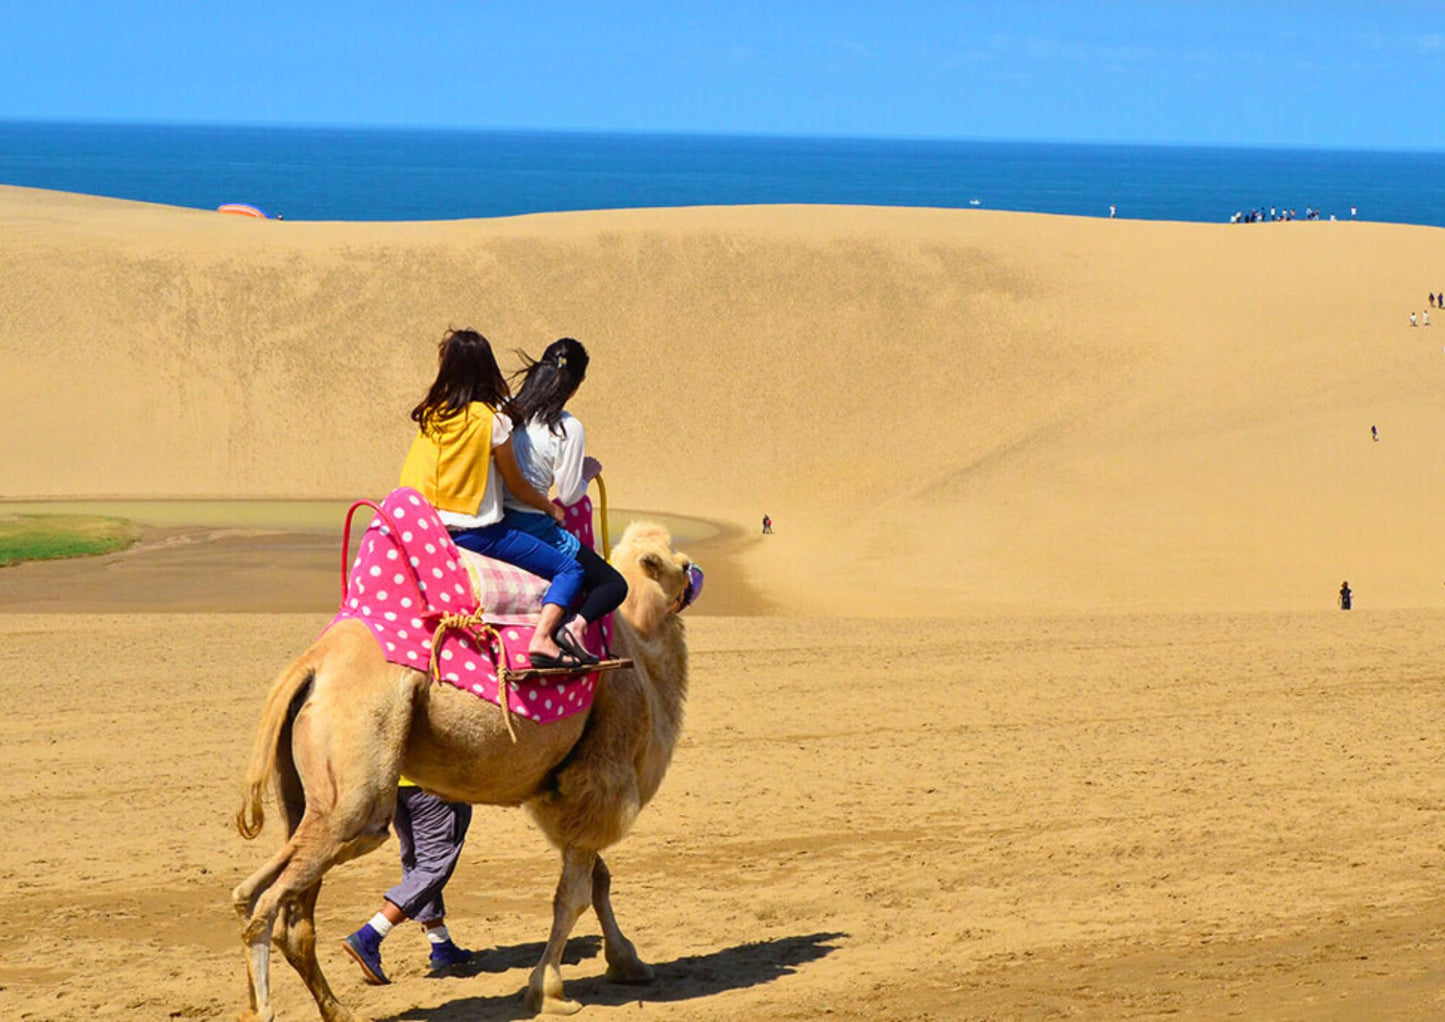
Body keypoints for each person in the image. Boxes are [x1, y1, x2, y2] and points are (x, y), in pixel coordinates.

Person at [399, 328, 591, 669]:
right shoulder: (494, 422)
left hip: (427, 528)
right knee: (570, 569)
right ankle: (543, 639)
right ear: (487, 368)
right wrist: (549, 507)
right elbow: (516, 486)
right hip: (476, 533)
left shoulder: (431, 413)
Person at [502, 337, 626, 661]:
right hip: (533, 524)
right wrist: (585, 473)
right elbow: (569, 494)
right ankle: (572, 627)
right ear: (576, 385)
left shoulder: (508, 410)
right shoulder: (568, 428)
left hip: (494, 520)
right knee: (612, 585)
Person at [342, 782, 473, 984]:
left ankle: (441, 945)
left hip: (397, 783)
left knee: (416, 861)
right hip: (433, 780)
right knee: (433, 866)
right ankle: (370, 935)